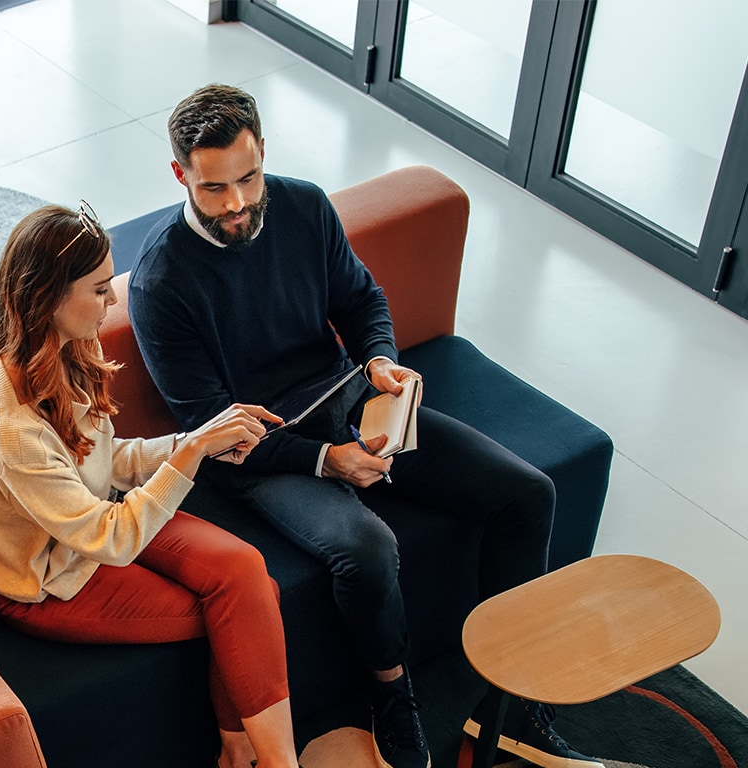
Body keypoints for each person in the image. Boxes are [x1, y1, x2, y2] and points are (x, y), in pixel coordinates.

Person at [127, 83, 604, 768]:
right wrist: (327, 462)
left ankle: (517, 704)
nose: (237, 204)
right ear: (181, 175)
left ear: (264, 153)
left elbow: (360, 298)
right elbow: (212, 428)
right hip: (261, 452)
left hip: (350, 402)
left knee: (528, 494)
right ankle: (391, 693)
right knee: (368, 549)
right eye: (214, 189)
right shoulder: (161, 280)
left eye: (249, 177)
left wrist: (380, 360)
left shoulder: (304, 206)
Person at [0, 201, 303, 768]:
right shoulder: (12, 430)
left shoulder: (64, 350)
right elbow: (111, 541)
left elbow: (106, 459)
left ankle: (241, 754)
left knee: (245, 574)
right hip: (49, 580)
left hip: (96, 520)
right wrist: (187, 456)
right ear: (46, 296)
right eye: (98, 289)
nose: (112, 300)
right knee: (248, 604)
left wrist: (201, 441)